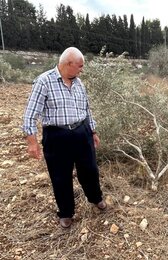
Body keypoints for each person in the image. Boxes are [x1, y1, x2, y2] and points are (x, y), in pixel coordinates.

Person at [22, 47, 106, 228]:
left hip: (82, 132)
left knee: (90, 169)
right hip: (57, 136)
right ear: (68, 64)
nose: (81, 70)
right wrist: (32, 142)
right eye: (80, 66)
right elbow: (30, 114)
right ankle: (66, 212)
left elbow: (86, 110)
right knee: (60, 176)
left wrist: (93, 131)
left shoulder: (79, 83)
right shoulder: (44, 82)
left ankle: (95, 198)